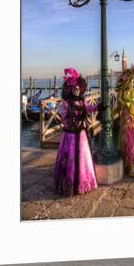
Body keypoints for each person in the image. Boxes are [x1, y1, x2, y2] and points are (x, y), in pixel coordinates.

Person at [53, 68, 98, 196]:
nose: (77, 90)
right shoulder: (67, 103)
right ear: (70, 89)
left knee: (84, 159)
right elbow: (63, 118)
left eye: (78, 88)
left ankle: (84, 183)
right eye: (74, 88)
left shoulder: (83, 100)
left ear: (81, 88)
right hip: (70, 136)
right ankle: (71, 185)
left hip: (82, 135)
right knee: (71, 160)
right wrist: (71, 125)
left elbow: (89, 108)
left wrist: (98, 107)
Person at [113, 64, 134, 177]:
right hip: (124, 122)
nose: (133, 83)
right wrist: (109, 114)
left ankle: (133, 165)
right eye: (131, 81)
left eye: (133, 82)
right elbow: (118, 107)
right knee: (127, 143)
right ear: (126, 82)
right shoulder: (121, 94)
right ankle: (129, 165)